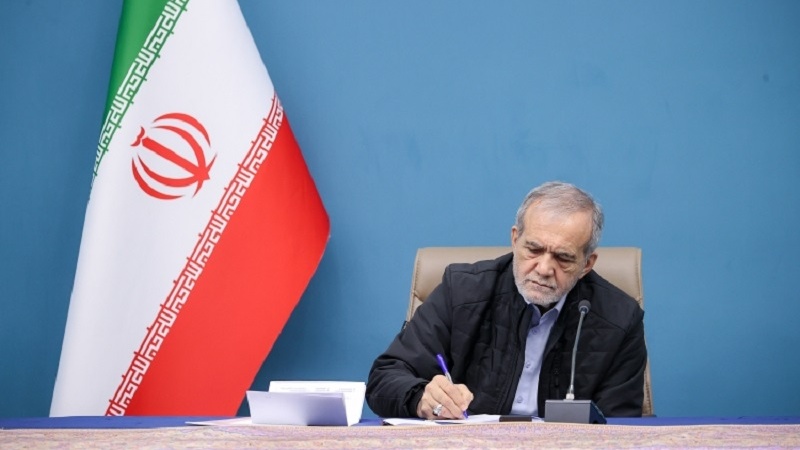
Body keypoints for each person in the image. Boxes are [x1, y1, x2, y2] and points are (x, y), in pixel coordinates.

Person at [366, 181, 647, 419]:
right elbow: (385, 378)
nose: (544, 268)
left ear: (587, 264)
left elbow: (618, 426)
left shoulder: (621, 318)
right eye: (533, 249)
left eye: (563, 257)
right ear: (515, 239)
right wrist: (421, 398)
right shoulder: (462, 291)